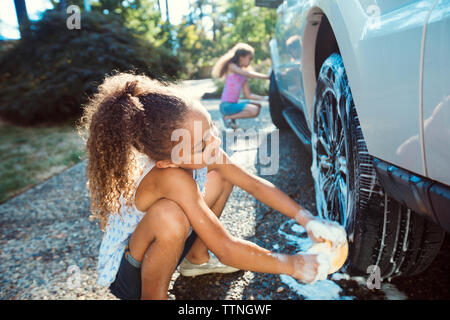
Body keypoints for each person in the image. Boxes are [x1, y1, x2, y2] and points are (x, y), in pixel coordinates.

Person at [78, 72, 347, 300]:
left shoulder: (203, 151)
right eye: (201, 145)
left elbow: (254, 185)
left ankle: (197, 258)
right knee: (169, 217)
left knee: (220, 174)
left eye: (210, 130)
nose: (214, 144)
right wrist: (296, 265)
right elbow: (226, 247)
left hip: (160, 249)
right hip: (129, 277)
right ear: (166, 163)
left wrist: (307, 219)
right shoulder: (169, 178)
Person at [211, 43, 269, 130]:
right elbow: (248, 73)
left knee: (258, 107)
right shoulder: (231, 67)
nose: (250, 62)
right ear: (241, 57)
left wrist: (265, 98)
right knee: (254, 110)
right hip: (226, 106)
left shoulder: (243, 76)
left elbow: (249, 95)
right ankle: (226, 118)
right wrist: (268, 77)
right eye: (250, 58)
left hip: (234, 104)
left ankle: (231, 119)